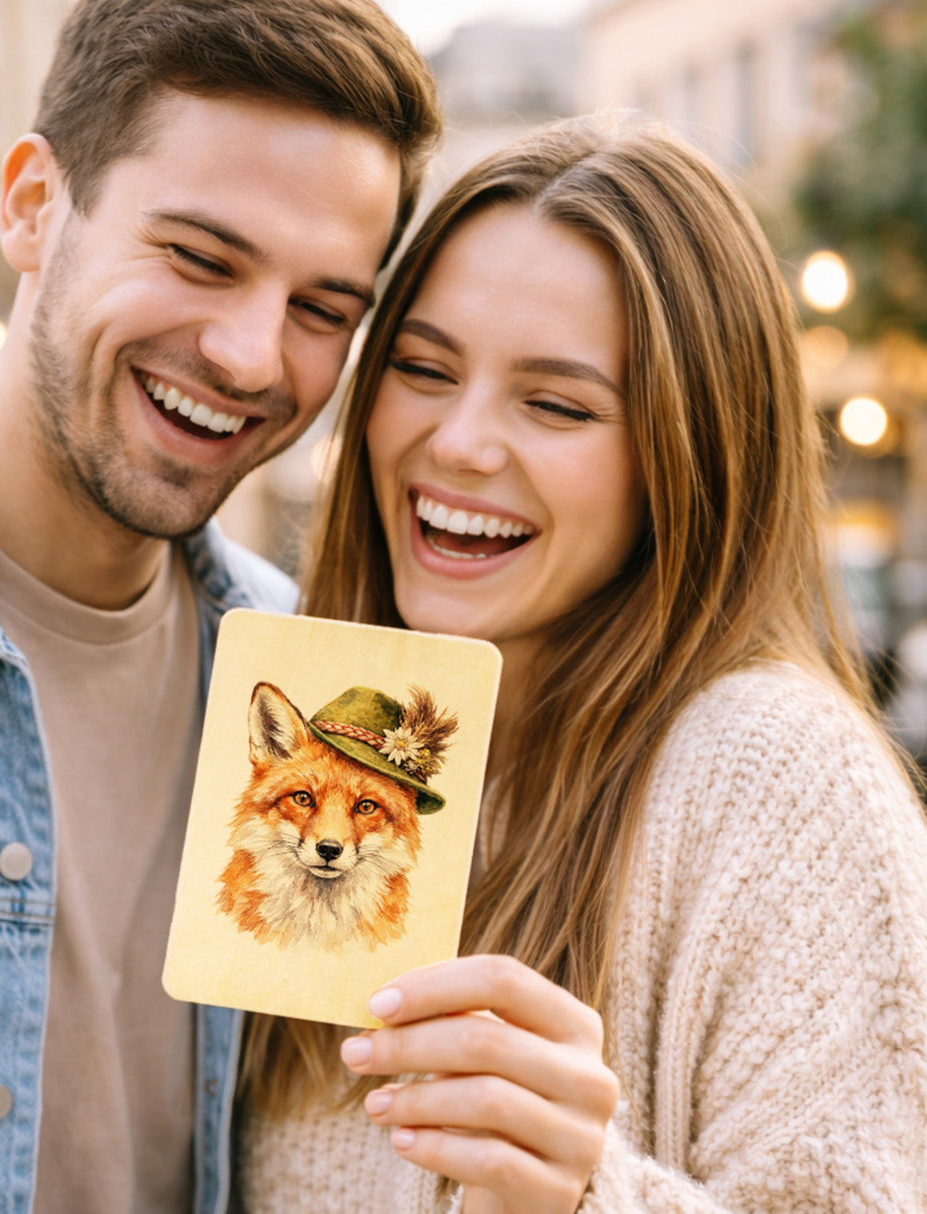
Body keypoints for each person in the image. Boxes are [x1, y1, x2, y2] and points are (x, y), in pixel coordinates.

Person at [0, 3, 440, 1212]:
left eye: (322, 308)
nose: (254, 355)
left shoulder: (314, 689)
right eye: (200, 257)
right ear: (32, 207)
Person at [236, 114, 927, 1212]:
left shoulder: (779, 780)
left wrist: (583, 1193)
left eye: (554, 403)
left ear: (685, 452)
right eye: (420, 367)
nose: (458, 440)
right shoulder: (316, 720)